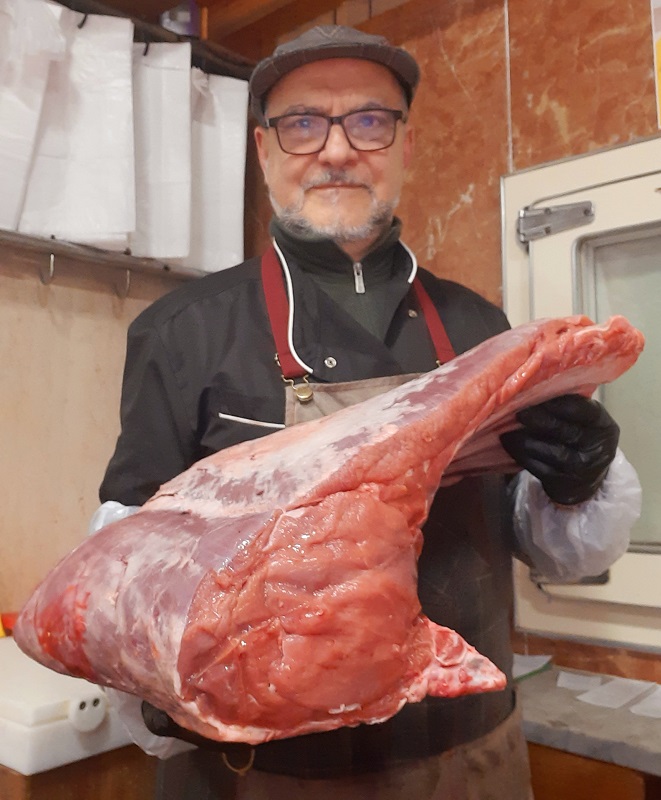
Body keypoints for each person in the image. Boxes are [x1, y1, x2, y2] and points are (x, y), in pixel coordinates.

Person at [94, 24, 641, 800]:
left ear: (406, 148)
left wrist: (577, 484)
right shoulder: (183, 332)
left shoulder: (482, 329)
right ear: (263, 153)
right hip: (255, 774)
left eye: (369, 120)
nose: (338, 150)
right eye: (302, 122)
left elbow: (541, 546)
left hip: (471, 759)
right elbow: (122, 575)